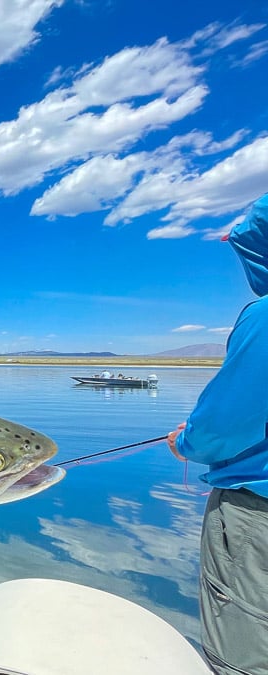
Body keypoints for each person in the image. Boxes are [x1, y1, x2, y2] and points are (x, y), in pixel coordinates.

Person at [167, 191, 268, 675]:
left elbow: (220, 429)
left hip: (257, 512)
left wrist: (186, 442)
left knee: (244, 652)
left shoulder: (264, 316)